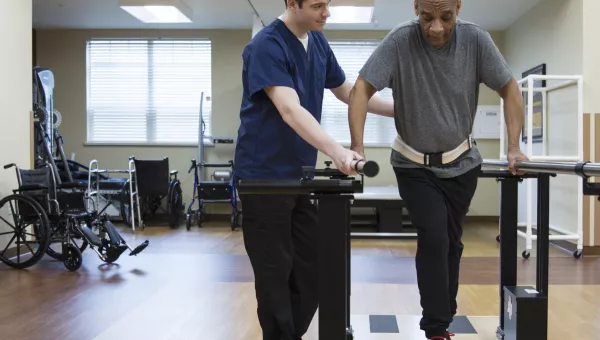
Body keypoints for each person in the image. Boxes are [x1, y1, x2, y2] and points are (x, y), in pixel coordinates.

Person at [347, 0, 529, 339]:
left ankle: (443, 313)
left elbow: (510, 87)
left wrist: (514, 148)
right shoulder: (399, 41)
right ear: (416, 7)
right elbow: (360, 89)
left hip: (462, 164)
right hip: (412, 164)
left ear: (458, 6)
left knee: (451, 242)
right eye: (427, 17)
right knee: (433, 236)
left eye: (446, 17)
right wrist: (357, 146)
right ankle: (435, 326)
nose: (436, 28)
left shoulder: (476, 40)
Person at [233, 0, 394, 339]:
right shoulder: (266, 46)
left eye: (328, 4)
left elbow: (347, 90)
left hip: (299, 176)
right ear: (292, 3)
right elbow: (290, 110)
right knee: (275, 274)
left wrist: (400, 111)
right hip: (263, 178)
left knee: (313, 270)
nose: (327, 13)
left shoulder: (316, 40)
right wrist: (337, 151)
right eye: (318, 5)